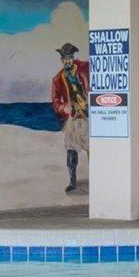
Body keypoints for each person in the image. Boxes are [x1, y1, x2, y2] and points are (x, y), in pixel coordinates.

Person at [49, 42, 91, 195]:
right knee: (71, 149)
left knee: (91, 147)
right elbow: (55, 101)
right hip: (72, 117)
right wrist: (63, 107)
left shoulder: (85, 67)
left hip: (88, 115)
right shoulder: (57, 79)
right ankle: (72, 181)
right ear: (61, 60)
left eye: (70, 57)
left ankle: (97, 176)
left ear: (73, 57)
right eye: (65, 58)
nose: (68, 61)